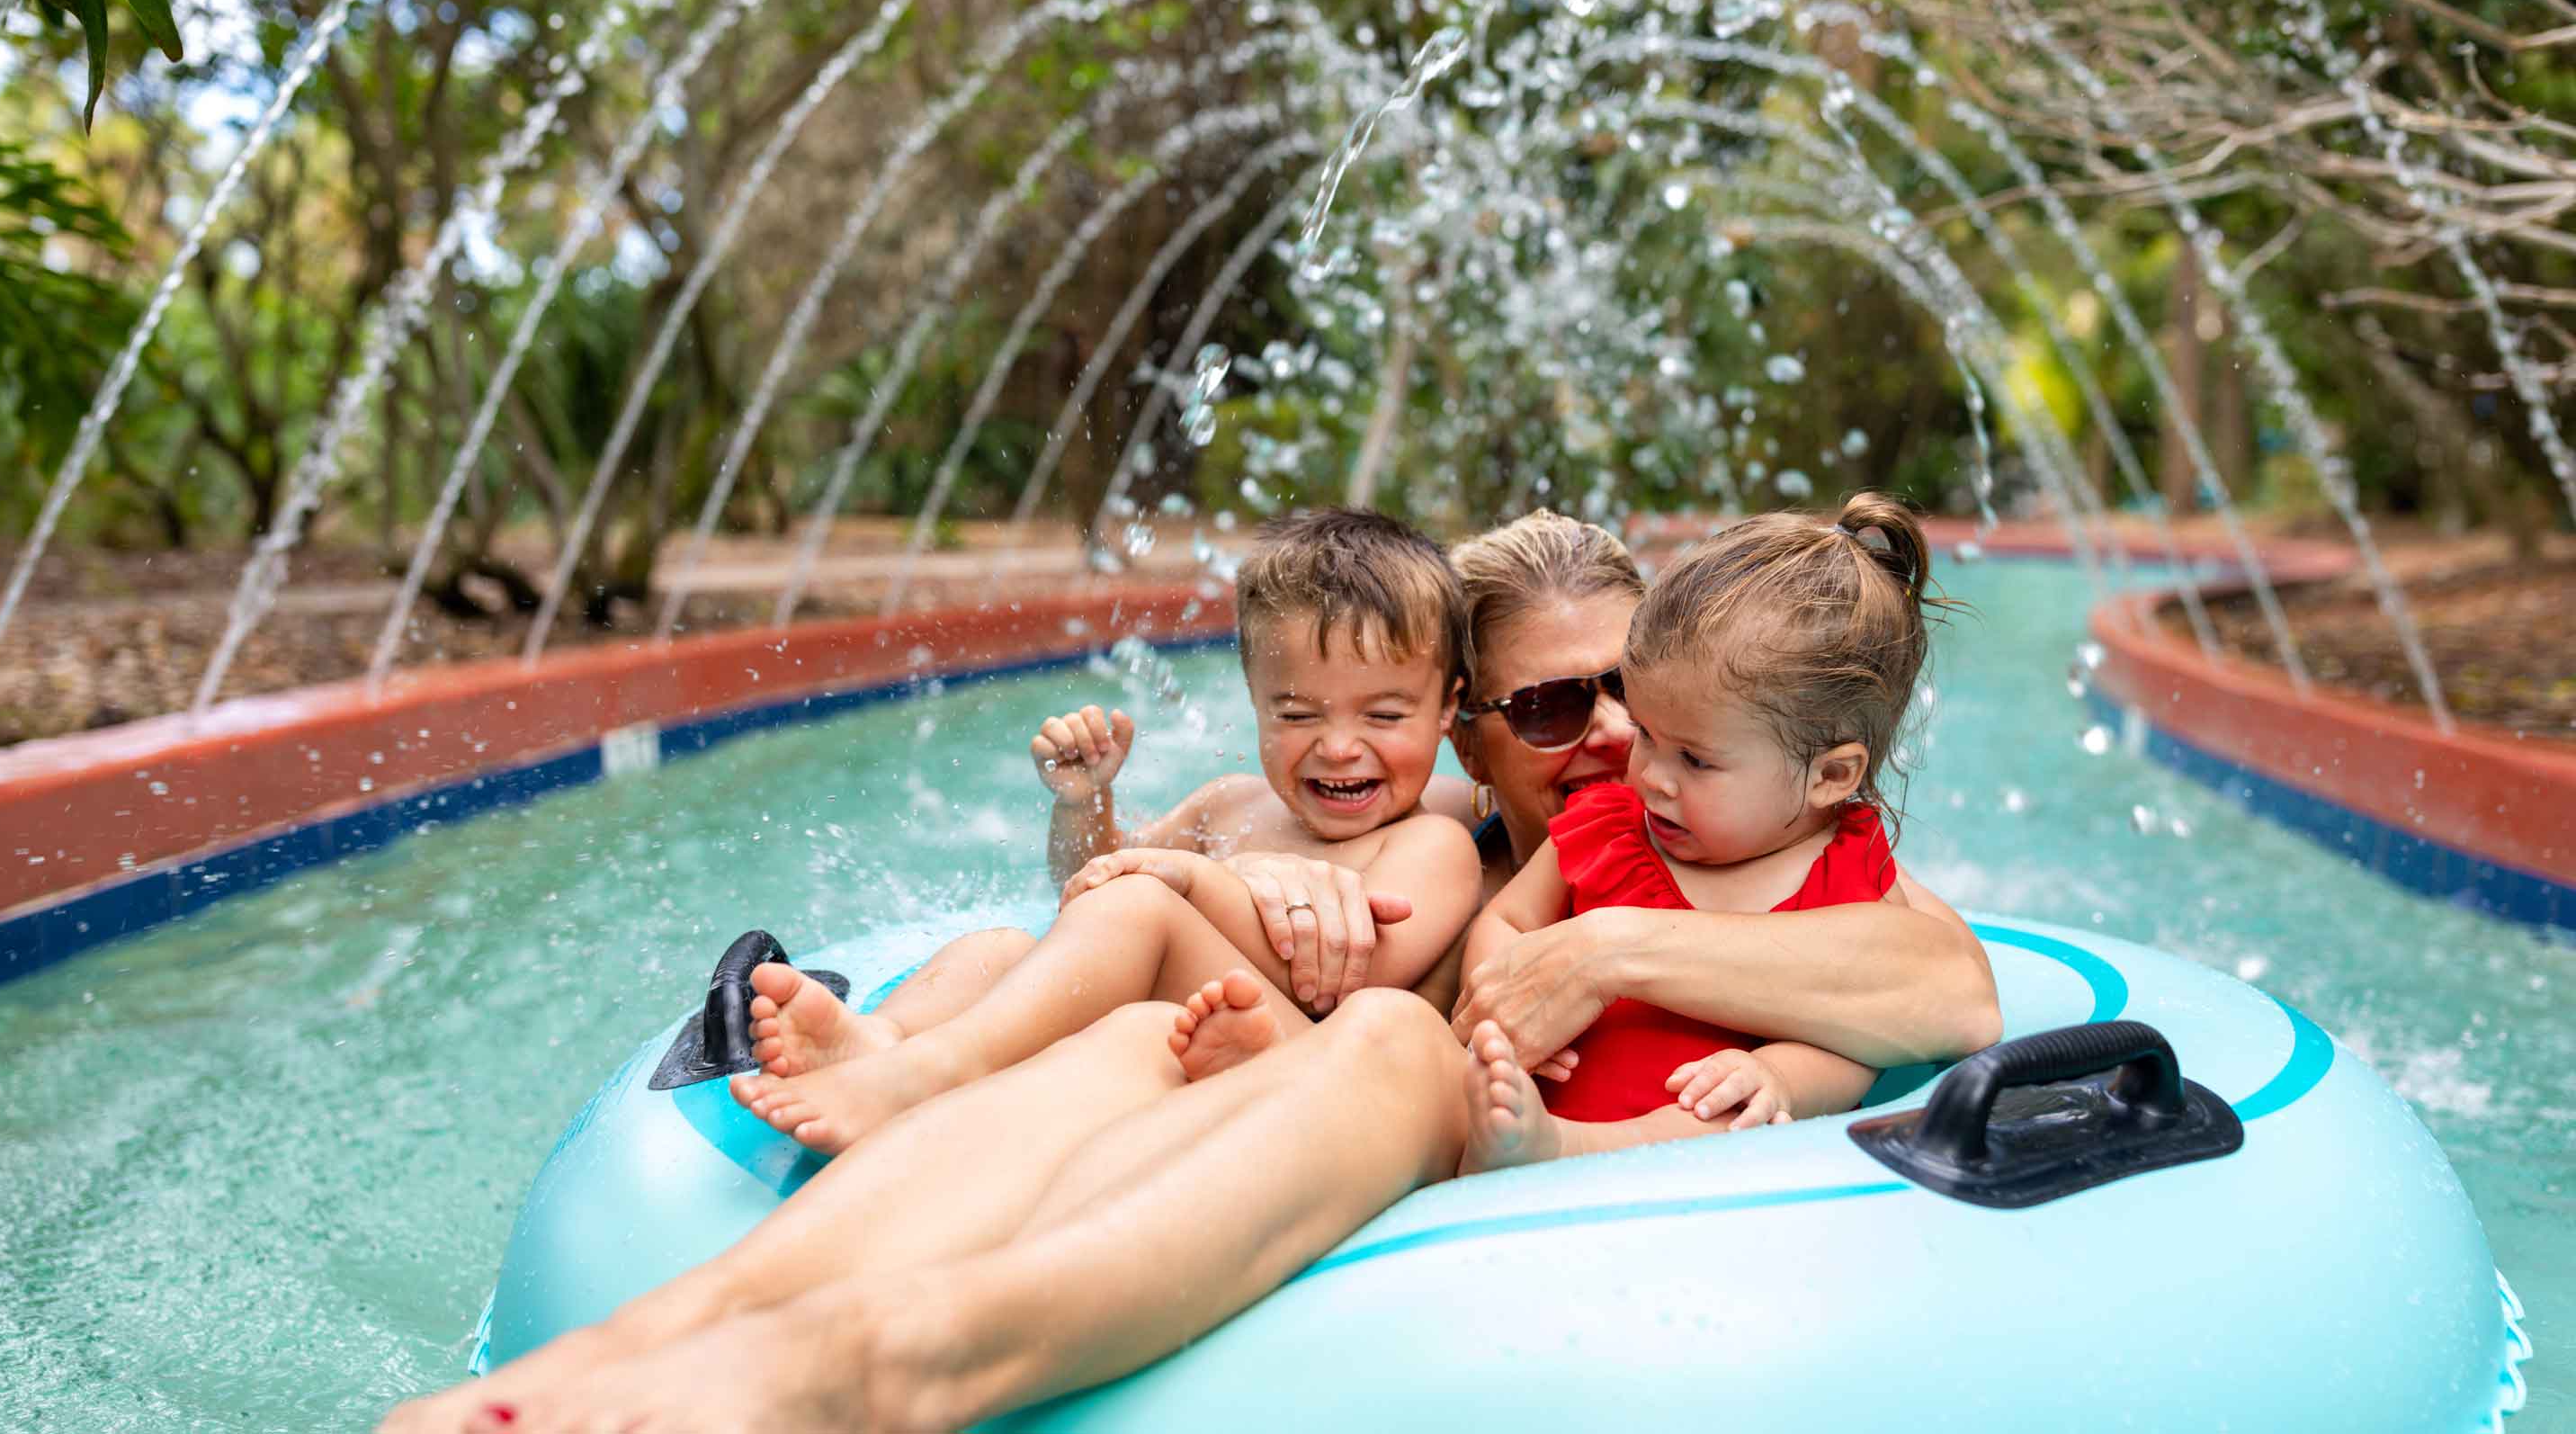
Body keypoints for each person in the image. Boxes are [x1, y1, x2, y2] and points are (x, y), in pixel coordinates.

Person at [388, 503, 1999, 1434]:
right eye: (1554, 709)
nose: (1617, 745)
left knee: (1371, 1040)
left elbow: (1946, 996)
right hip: (1303, 1092)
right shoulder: (1459, 828)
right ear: (1464, 717)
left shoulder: (1749, 847)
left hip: (1458, 1134)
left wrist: (1610, 956)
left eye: (1630, 701)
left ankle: (866, 1367)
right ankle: (651, 1341)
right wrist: (1149, 860)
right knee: (1144, 1027)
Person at [724, 507, 1486, 1154]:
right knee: (998, 949)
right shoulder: (1230, 803)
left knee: (1143, 905)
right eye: (1297, 713)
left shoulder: (1431, 844)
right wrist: (1086, 805)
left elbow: (1353, 977)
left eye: (1384, 715)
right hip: (1194, 1017)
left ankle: (930, 1074)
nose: (1339, 745)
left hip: (1306, 1056)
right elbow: (1088, 888)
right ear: (1254, 694)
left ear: (1448, 708)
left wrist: (1187, 881)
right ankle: (880, 1041)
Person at [1455, 492, 1947, 1170]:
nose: (1646, 770)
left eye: (1693, 758)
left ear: (1831, 776)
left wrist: (1782, 1077)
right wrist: (1501, 1008)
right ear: (1464, 744)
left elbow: (1862, 1034)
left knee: (1728, 1113)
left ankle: (1562, 1149)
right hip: (1547, 1095)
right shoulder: (1606, 827)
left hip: (1694, 1149)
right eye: (1547, 706)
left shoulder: (1848, 874)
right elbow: (1508, 921)